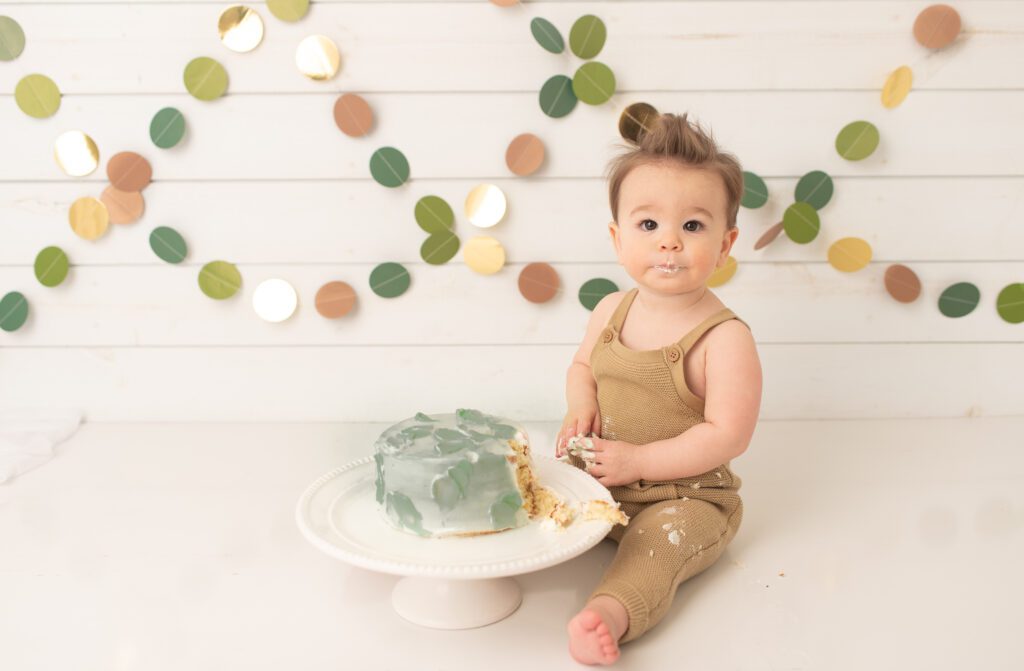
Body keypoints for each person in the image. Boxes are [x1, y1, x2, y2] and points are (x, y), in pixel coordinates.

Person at [557, 112, 763, 665]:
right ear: (617, 236)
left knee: (654, 549)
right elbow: (582, 368)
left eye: (693, 227)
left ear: (726, 243)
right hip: (604, 477)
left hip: (684, 496)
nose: (669, 242)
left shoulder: (724, 338)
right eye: (649, 226)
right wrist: (582, 407)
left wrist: (641, 461)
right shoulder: (608, 309)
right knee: (537, 483)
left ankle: (608, 615)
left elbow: (727, 435)